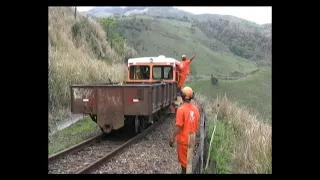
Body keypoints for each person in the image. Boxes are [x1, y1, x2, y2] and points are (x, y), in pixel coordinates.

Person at [169, 86, 200, 174]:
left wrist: (172, 138)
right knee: (189, 161)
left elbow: (178, 126)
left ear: (182, 96)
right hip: (192, 140)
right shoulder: (196, 109)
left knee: (184, 164)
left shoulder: (181, 109)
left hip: (183, 141)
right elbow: (196, 123)